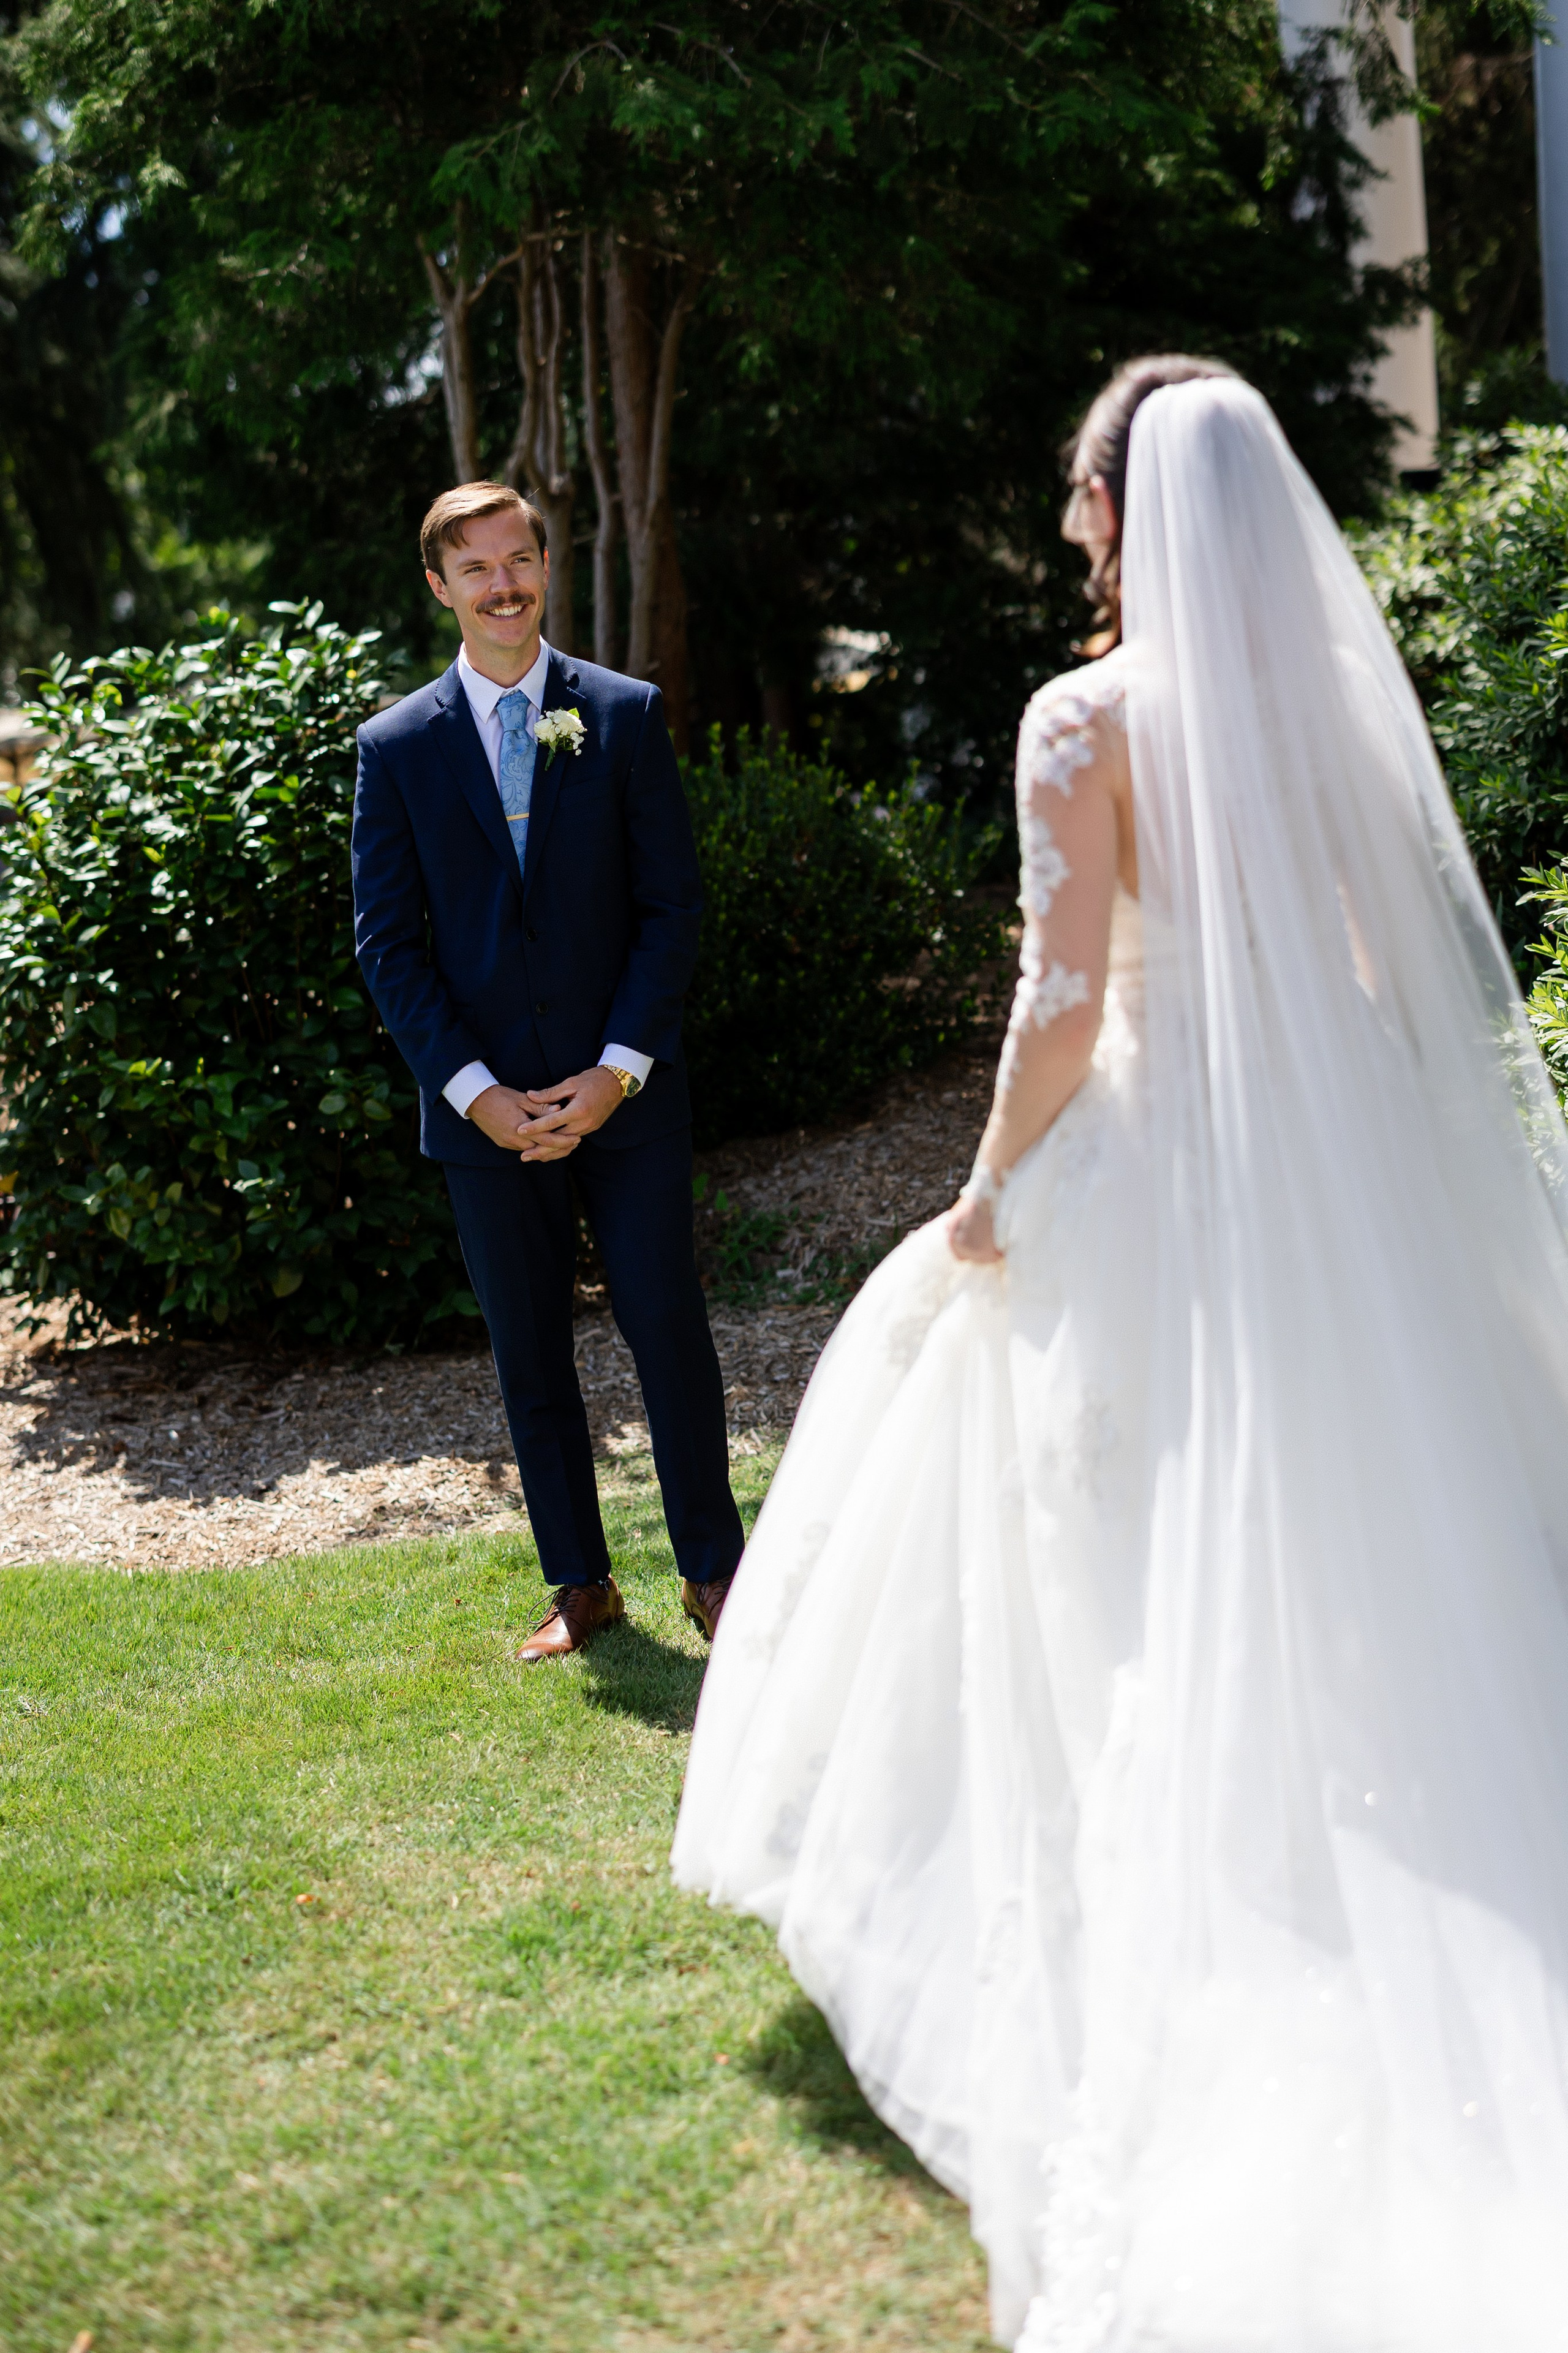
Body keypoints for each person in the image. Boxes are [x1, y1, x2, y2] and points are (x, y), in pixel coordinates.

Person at [673, 362, 1568, 2350]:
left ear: (1110, 504)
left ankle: (1168, 1885)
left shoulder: (1079, 719)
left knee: (1130, 1534)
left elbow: (1062, 999)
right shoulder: (1324, 701)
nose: (1074, 518)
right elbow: (1367, 966)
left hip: (1165, 1151)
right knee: (1360, 1509)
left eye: (1081, 491)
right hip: (1330, 1139)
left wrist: (987, 1186)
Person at [352, 482, 744, 1661]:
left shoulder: (623, 714)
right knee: (530, 1355)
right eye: (477, 570)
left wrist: (616, 1072)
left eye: (518, 561)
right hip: (484, 1116)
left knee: (669, 1329)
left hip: (624, 1098)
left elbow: (669, 909)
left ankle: (718, 1575)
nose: (504, 585)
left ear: (542, 568)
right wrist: (476, 1091)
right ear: (440, 587)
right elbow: (389, 943)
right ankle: (580, 1587)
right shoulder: (397, 745)